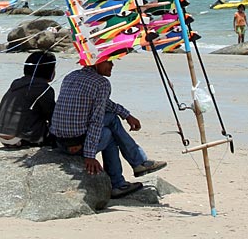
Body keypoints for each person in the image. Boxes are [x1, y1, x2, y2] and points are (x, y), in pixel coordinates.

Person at [50, 57, 166, 199]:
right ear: (97, 62)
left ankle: (132, 169)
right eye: (109, 62)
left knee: (111, 121)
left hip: (59, 142)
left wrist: (127, 115)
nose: (112, 65)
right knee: (110, 129)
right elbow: (96, 121)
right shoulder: (101, 83)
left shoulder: (71, 76)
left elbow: (104, 103)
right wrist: (89, 156)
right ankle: (124, 177)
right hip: (77, 145)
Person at [0, 51, 56, 148]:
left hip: (2, 133)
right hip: (22, 137)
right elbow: (52, 116)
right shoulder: (44, 89)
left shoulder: (17, 83)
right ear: (49, 70)